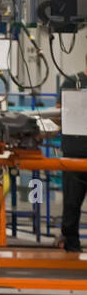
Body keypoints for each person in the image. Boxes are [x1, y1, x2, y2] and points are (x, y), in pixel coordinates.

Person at [60, 60, 87, 253]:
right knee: (71, 202)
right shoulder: (71, 83)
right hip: (74, 154)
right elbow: (59, 113)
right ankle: (71, 245)